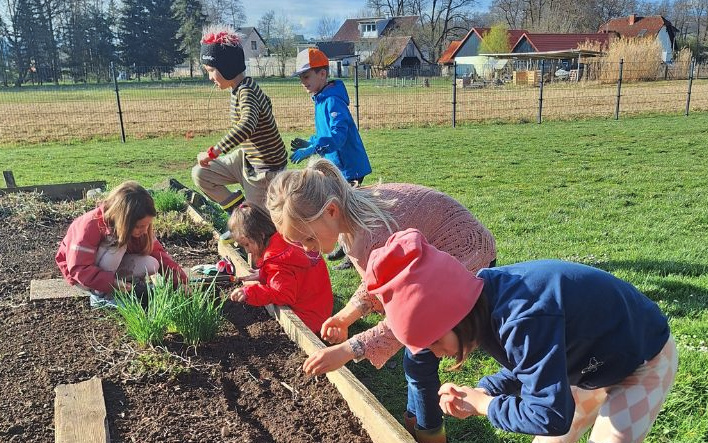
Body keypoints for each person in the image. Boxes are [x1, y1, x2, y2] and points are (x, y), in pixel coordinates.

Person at [363, 228, 678, 443]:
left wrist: (485, 406)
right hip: (584, 361)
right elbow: (531, 362)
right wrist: (483, 390)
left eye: (433, 341)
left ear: (453, 315)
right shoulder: (480, 304)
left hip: (640, 360)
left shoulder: (523, 317)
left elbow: (552, 415)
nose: (434, 353)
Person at [265, 158, 496, 442]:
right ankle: (415, 424)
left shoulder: (374, 231)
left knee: (420, 357)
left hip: (467, 258)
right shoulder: (348, 222)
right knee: (417, 358)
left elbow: (406, 318)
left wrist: (349, 350)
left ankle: (430, 435)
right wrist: (347, 314)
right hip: (443, 257)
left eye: (307, 239)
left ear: (331, 210)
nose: (306, 249)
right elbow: (379, 279)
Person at [192, 25, 288, 238]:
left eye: (210, 71)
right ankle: (239, 212)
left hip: (265, 171)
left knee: (259, 230)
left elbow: (246, 125)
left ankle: (258, 252)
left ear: (226, 67)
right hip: (246, 159)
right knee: (201, 174)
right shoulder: (239, 89)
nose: (209, 78)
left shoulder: (247, 92)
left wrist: (213, 152)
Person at [290, 48, 372, 271]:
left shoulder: (333, 101)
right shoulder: (321, 99)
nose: (303, 82)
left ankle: (355, 253)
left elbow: (338, 136)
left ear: (323, 74)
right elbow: (324, 131)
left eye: (306, 77)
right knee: (337, 208)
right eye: (301, 78)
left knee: (350, 212)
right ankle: (344, 246)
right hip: (337, 166)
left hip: (349, 167)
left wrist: (314, 149)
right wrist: (310, 142)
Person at [55, 181, 188, 307]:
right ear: (123, 220)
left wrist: (181, 283)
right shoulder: (89, 225)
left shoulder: (140, 228)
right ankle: (100, 296)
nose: (144, 230)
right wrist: (112, 283)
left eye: (147, 225)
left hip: (109, 264)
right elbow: (79, 269)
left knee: (152, 263)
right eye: (139, 226)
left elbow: (159, 255)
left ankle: (121, 289)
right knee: (116, 246)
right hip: (82, 275)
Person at [225, 203, 333, 334]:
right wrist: (264, 273)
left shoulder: (276, 262)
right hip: (320, 308)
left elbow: (283, 295)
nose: (247, 250)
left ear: (261, 235)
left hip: (307, 321)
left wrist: (251, 292)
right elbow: (293, 275)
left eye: (247, 244)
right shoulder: (288, 238)